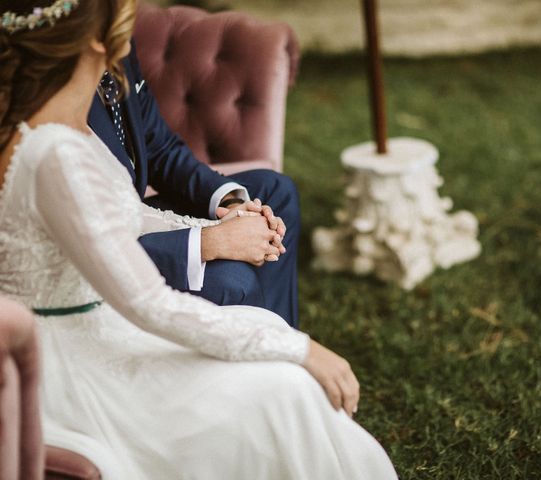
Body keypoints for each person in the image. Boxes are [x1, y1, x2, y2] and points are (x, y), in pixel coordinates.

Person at [0, 0, 398, 478]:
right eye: (123, 10)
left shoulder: (35, 131)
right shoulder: (59, 153)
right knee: (282, 388)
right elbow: (150, 305)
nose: (136, 13)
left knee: (272, 357)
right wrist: (303, 348)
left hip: (81, 335)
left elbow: (125, 214)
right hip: (78, 371)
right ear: (94, 40)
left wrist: (222, 223)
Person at [89, 38, 302, 327]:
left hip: (131, 210)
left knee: (275, 191)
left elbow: (158, 148)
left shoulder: (121, 44)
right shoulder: (46, 92)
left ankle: (278, 343)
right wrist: (211, 241)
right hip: (97, 240)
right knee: (234, 281)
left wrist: (231, 203)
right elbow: (81, 239)